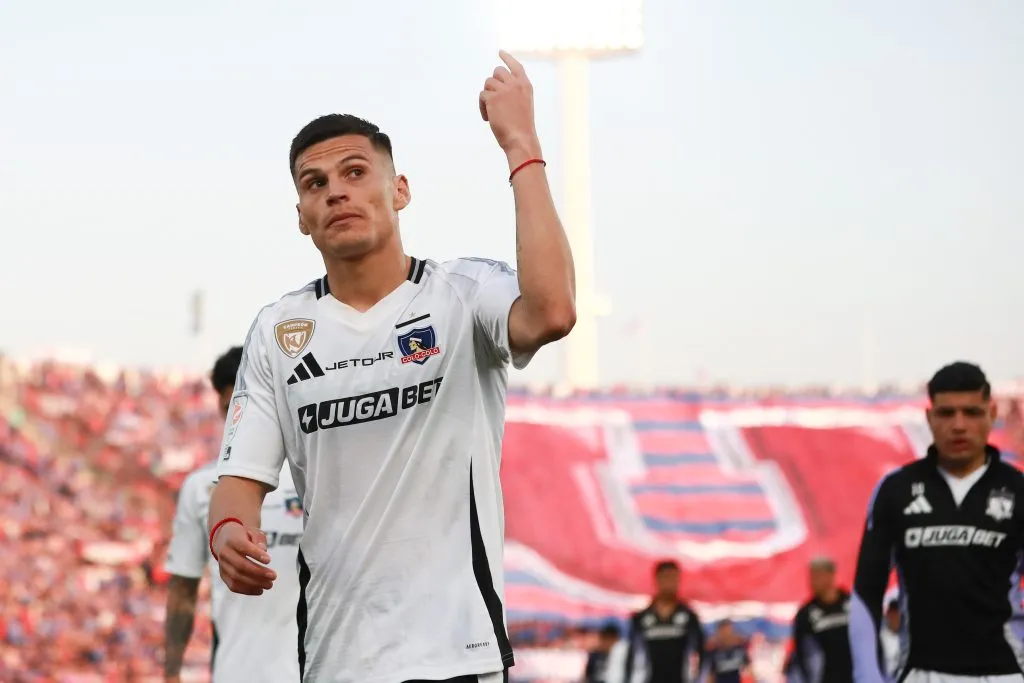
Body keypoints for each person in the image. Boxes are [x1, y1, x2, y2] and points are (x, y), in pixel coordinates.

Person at [206, 50, 576, 683]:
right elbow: (239, 481)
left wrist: (522, 147)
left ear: (398, 190)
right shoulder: (277, 331)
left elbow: (553, 311)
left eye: (355, 171)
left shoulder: (463, 294)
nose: (335, 191)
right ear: (301, 216)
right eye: (314, 184)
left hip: (457, 656)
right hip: (334, 660)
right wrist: (228, 534)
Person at [850, 361, 1024, 683]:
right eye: (946, 413)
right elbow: (865, 592)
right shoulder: (896, 490)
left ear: (992, 413)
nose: (959, 425)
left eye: (971, 412)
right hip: (921, 673)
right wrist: (866, 675)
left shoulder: (1018, 490)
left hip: (1006, 673)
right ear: (929, 417)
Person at [163, 347, 304, 683]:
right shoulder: (202, 487)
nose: (239, 419)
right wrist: (170, 673)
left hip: (318, 671)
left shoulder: (312, 477)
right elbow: (183, 587)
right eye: (231, 409)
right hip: (236, 672)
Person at [623, 560, 706, 683]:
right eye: (667, 577)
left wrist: (698, 679)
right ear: (657, 579)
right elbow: (631, 656)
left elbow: (701, 653)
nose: (671, 583)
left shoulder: (689, 617)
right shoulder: (641, 618)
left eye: (675, 578)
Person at [791, 557, 852, 683]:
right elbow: (801, 655)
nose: (812, 581)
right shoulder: (805, 614)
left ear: (831, 575)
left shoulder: (853, 605)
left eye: (817, 575)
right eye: (811, 576)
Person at [878, 600, 902, 680]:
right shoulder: (880, 638)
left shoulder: (907, 638)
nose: (897, 618)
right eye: (894, 614)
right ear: (888, 613)